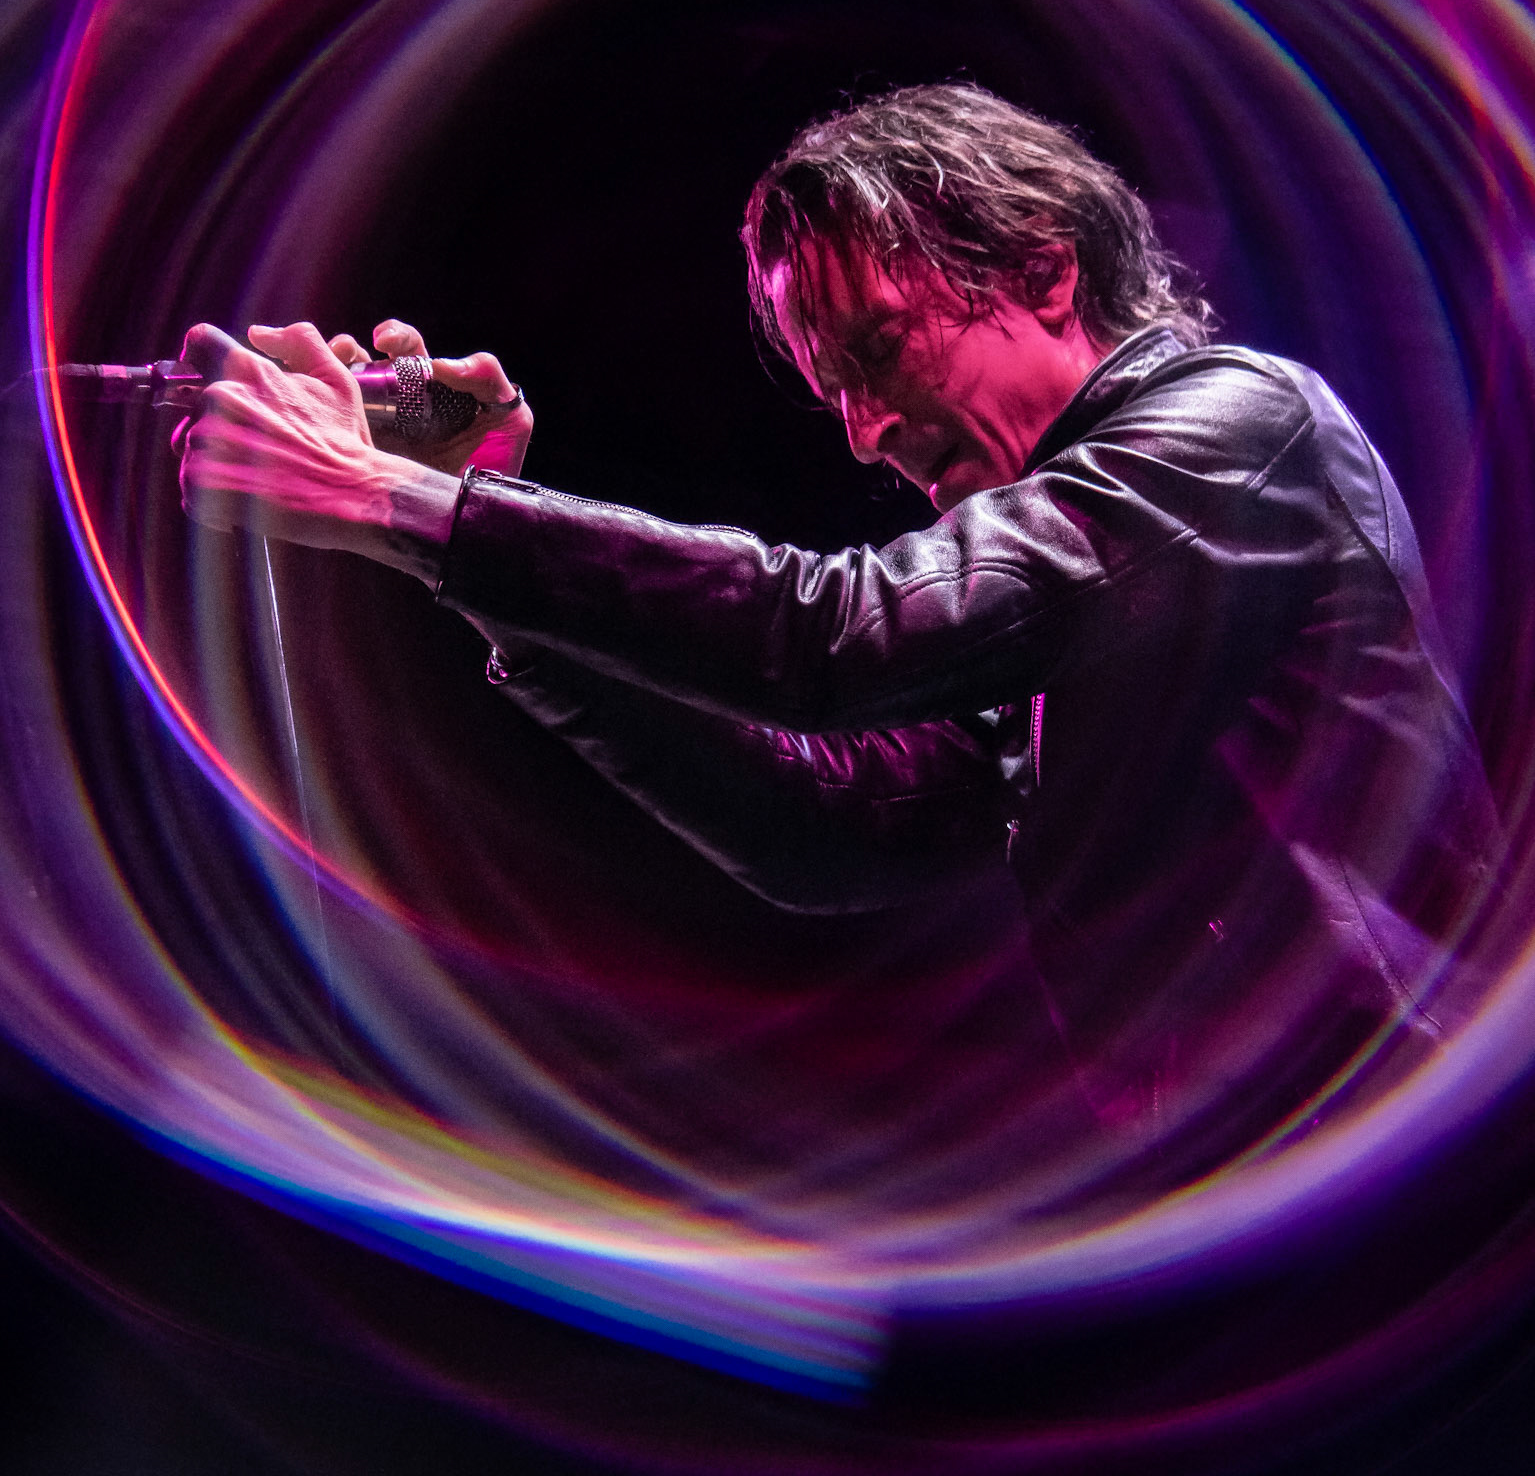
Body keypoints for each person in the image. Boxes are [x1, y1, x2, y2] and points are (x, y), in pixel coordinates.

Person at [176, 84, 1501, 1148]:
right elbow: (833, 827)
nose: (865, 434)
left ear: (1044, 274)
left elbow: (841, 636)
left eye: (877, 351)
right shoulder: (1067, 595)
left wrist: (401, 501)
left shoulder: (1237, 429)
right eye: (836, 394)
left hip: (1417, 1183)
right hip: (1278, 1200)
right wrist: (474, 540)